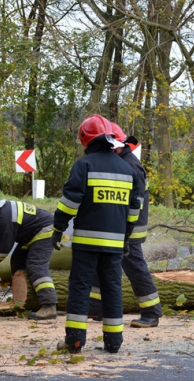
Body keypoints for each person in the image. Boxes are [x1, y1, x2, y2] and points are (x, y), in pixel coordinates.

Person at [52, 114, 141, 354]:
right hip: (114, 244)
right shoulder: (127, 168)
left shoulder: (85, 165)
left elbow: (70, 202)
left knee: (80, 288)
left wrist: (58, 228)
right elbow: (134, 210)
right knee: (112, 288)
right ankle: (113, 342)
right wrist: (126, 238)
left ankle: (75, 340)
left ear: (85, 139)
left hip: (86, 244)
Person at [88, 123, 162, 328]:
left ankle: (151, 312)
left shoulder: (131, 165)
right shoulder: (121, 161)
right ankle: (98, 308)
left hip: (130, 228)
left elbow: (133, 204)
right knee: (101, 263)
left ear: (116, 144)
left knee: (135, 267)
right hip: (117, 226)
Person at [0, 192, 59, 320]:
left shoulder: (2, 218)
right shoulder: (0, 213)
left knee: (36, 265)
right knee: (17, 260)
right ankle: (23, 301)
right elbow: (2, 242)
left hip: (44, 230)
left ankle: (49, 305)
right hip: (31, 234)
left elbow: (3, 250)